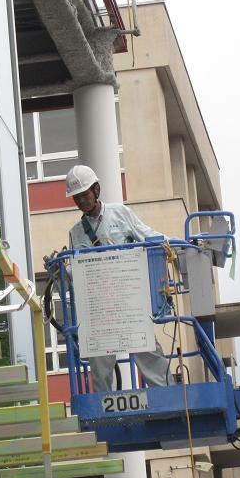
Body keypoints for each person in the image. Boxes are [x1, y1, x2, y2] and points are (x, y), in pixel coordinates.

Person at [65, 164, 176, 392]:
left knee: (147, 350)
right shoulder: (76, 232)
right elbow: (76, 272)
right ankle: (105, 407)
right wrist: (61, 272)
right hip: (100, 308)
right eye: (76, 198)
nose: (82, 202)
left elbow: (148, 235)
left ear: (96, 190)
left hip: (127, 301)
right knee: (98, 360)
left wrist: (177, 244)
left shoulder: (120, 213)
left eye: (84, 195)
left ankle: (167, 396)